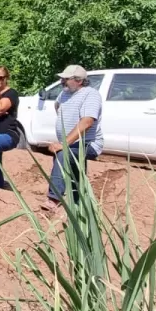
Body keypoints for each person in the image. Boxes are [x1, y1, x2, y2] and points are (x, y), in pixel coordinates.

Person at [40, 64, 104, 212]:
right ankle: (80, 203)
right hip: (72, 143)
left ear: (79, 80)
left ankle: (54, 199)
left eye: (66, 79)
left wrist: (64, 143)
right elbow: (58, 107)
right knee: (73, 167)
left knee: (64, 154)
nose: (62, 81)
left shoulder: (91, 94)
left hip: (89, 143)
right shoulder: (64, 93)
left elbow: (87, 121)